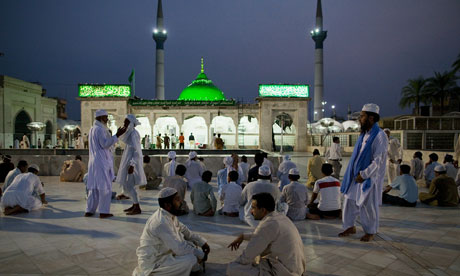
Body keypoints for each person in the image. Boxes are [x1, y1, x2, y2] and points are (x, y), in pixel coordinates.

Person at [132, 187, 210, 276]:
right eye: (177, 200)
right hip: (154, 261)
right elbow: (179, 249)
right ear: (167, 205)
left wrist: (202, 242)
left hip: (166, 253)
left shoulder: (170, 215)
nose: (181, 202)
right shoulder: (160, 223)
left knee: (192, 245)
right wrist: (202, 255)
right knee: (190, 259)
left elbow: (185, 231)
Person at [339, 103, 388, 242]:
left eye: (362, 116)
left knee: (368, 205)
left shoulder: (380, 136)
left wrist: (365, 174)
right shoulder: (364, 135)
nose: (359, 119)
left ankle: (370, 231)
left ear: (371, 118)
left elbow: (378, 161)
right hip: (355, 176)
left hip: (368, 178)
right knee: (349, 200)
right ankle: (349, 226)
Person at [227, 193, 306, 276]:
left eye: (253, 208)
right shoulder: (280, 217)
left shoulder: (268, 224)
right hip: (296, 269)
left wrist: (236, 264)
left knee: (232, 269)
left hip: (284, 272)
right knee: (259, 256)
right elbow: (262, 236)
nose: (251, 211)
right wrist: (243, 236)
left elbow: (248, 255)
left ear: (263, 210)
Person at [85, 109, 126, 219]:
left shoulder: (93, 129)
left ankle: (89, 210)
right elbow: (105, 144)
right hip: (101, 162)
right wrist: (117, 135)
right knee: (105, 187)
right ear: (101, 118)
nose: (107, 119)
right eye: (106, 117)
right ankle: (103, 211)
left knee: (93, 187)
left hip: (94, 162)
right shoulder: (100, 130)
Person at [116, 115, 147, 215]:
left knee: (129, 185)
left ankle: (137, 206)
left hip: (131, 163)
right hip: (128, 161)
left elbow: (136, 151)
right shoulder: (131, 134)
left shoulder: (134, 134)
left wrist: (132, 165)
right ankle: (134, 205)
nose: (124, 124)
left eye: (126, 122)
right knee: (129, 185)